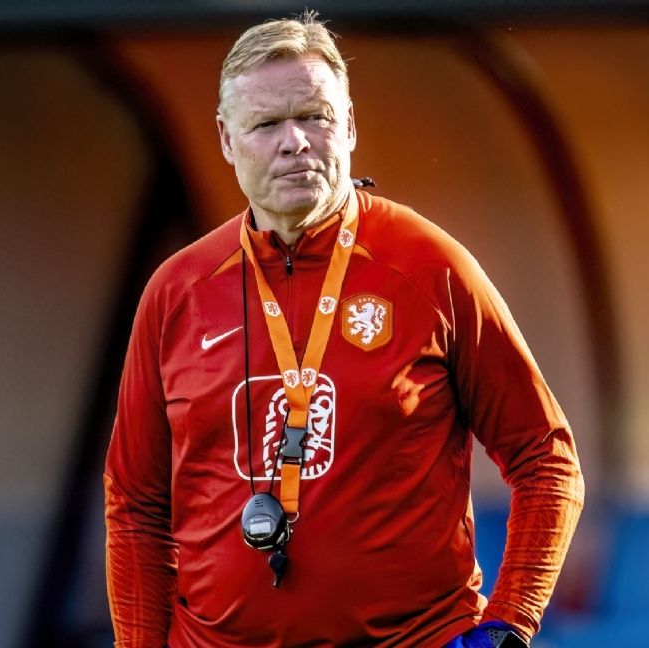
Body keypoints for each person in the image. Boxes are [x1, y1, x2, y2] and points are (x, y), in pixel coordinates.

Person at [104, 12, 584, 648]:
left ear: (350, 124)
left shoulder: (429, 266)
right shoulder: (177, 292)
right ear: (225, 138)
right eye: (267, 124)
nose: (295, 142)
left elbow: (545, 457)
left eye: (315, 116)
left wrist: (509, 625)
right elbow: (135, 504)